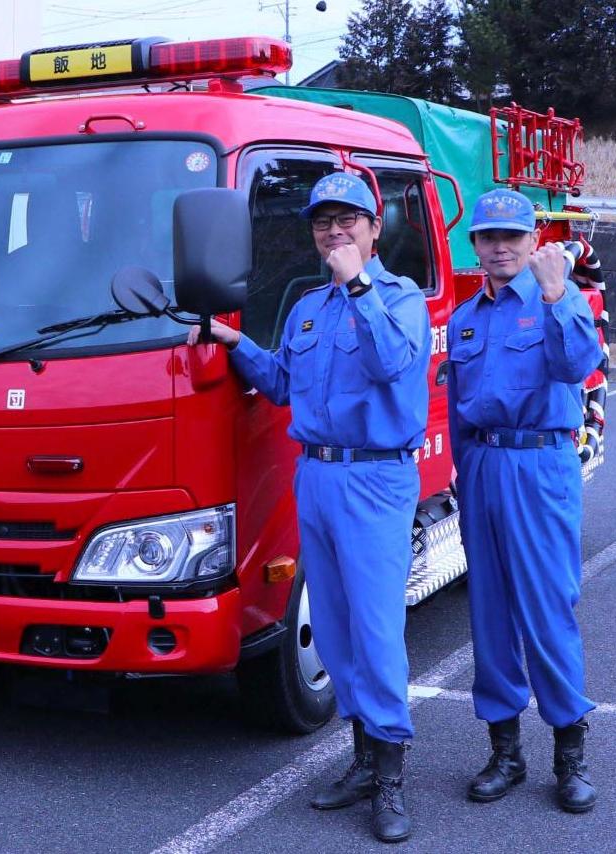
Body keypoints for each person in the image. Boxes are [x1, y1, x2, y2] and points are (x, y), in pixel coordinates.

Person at [189, 172, 429, 843]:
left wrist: (357, 285)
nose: (333, 230)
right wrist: (235, 344)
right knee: (332, 625)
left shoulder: (397, 297)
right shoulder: (306, 308)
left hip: (376, 479)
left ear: (374, 229)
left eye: (347, 219)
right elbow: (283, 385)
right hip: (317, 477)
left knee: (376, 629)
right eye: (323, 221)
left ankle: (388, 778)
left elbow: (392, 364)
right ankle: (359, 762)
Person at [447, 189, 603, 814]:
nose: (501, 245)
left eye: (513, 235)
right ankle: (505, 751)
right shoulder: (463, 319)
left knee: (546, 609)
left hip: (540, 463)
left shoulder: (556, 301)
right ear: (476, 246)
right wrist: (465, 477)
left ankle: (570, 752)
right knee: (488, 611)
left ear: (533, 241)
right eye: (489, 237)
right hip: (483, 464)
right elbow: (460, 414)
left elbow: (578, 364)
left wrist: (556, 293)